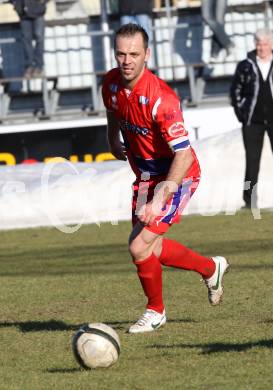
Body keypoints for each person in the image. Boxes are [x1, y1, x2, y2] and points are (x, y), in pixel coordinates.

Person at [102, 23, 229, 334]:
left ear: (148, 54)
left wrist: (158, 200)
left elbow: (183, 156)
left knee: (138, 245)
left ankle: (155, 312)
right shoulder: (111, 83)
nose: (127, 60)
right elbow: (112, 110)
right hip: (145, 176)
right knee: (151, 249)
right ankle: (211, 268)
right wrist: (111, 139)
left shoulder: (162, 99)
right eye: (121, 53)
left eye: (134, 53)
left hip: (179, 175)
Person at [230, 28, 273, 210]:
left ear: (271, 45)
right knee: (252, 161)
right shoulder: (245, 65)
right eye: (258, 44)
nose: (261, 48)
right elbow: (235, 91)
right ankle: (249, 200)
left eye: (265, 44)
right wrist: (242, 114)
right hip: (252, 122)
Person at [11, 0, 48, 78]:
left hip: (38, 10)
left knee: (39, 38)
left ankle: (39, 67)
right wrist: (16, 3)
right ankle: (29, 67)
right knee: (26, 40)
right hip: (23, 13)